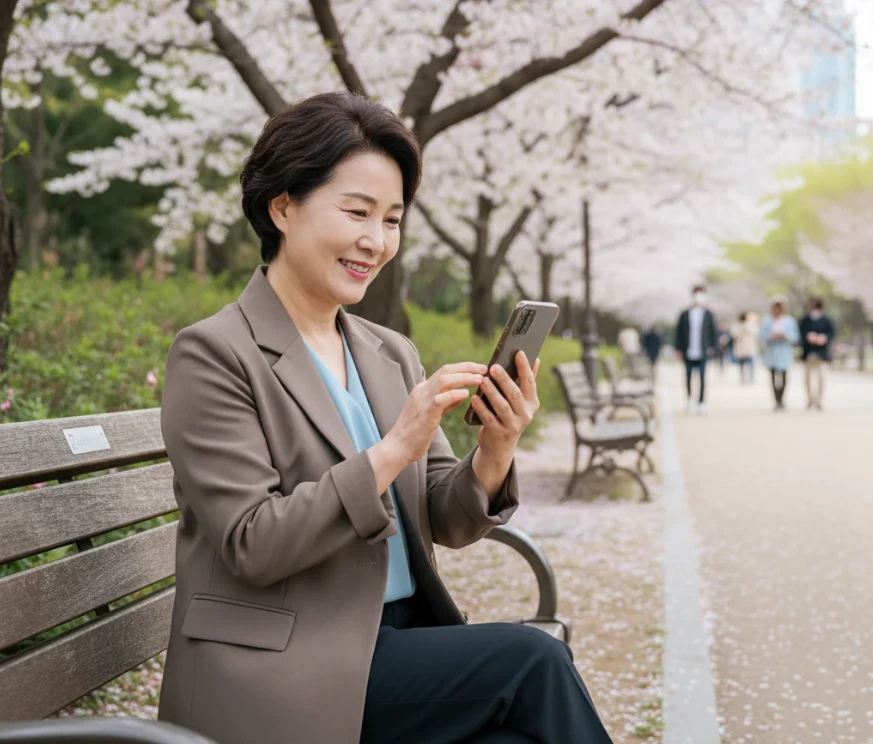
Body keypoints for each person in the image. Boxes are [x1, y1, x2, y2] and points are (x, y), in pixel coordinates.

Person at [157, 93, 613, 744]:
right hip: (283, 661)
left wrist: (494, 449)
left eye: (392, 220)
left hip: (393, 644)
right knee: (533, 658)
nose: (375, 241)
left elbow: (445, 521)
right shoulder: (214, 353)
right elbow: (253, 544)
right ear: (283, 206)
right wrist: (394, 446)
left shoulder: (386, 350)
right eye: (356, 212)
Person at [674, 285, 718, 414]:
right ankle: (688, 400)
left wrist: (713, 348)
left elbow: (713, 333)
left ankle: (701, 402)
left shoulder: (708, 314)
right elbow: (679, 333)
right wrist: (678, 349)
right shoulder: (685, 314)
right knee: (688, 377)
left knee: (703, 377)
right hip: (688, 351)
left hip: (703, 351)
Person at [760, 295, 800, 411]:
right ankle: (776, 400)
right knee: (772, 376)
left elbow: (795, 337)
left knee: (784, 376)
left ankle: (781, 398)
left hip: (784, 351)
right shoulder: (767, 320)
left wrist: (785, 336)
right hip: (771, 351)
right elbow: (762, 336)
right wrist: (771, 336)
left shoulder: (789, 321)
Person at [798, 296, 836, 410]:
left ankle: (819, 400)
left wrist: (823, 338)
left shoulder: (826, 320)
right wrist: (808, 337)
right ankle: (810, 399)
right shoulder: (805, 320)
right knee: (807, 378)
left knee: (822, 377)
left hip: (822, 352)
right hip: (808, 352)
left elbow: (831, 333)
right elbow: (800, 334)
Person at [731, 312, 759, 384]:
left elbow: (756, 334)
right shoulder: (737, 325)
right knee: (741, 364)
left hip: (750, 348)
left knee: (751, 364)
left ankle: (751, 378)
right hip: (741, 348)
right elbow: (734, 335)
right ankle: (742, 378)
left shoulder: (751, 324)